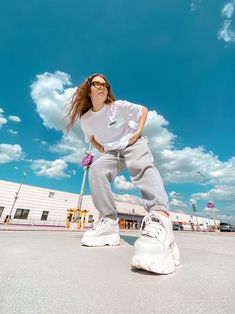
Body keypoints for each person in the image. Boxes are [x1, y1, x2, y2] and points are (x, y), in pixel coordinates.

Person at [65, 73, 180, 274]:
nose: (102, 87)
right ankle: (109, 222)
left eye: (105, 85)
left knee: (141, 165)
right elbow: (89, 137)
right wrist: (99, 147)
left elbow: (143, 110)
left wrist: (138, 131)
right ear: (89, 88)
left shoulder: (118, 107)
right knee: (97, 170)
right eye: (97, 84)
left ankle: (160, 218)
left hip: (132, 142)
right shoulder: (86, 119)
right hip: (112, 152)